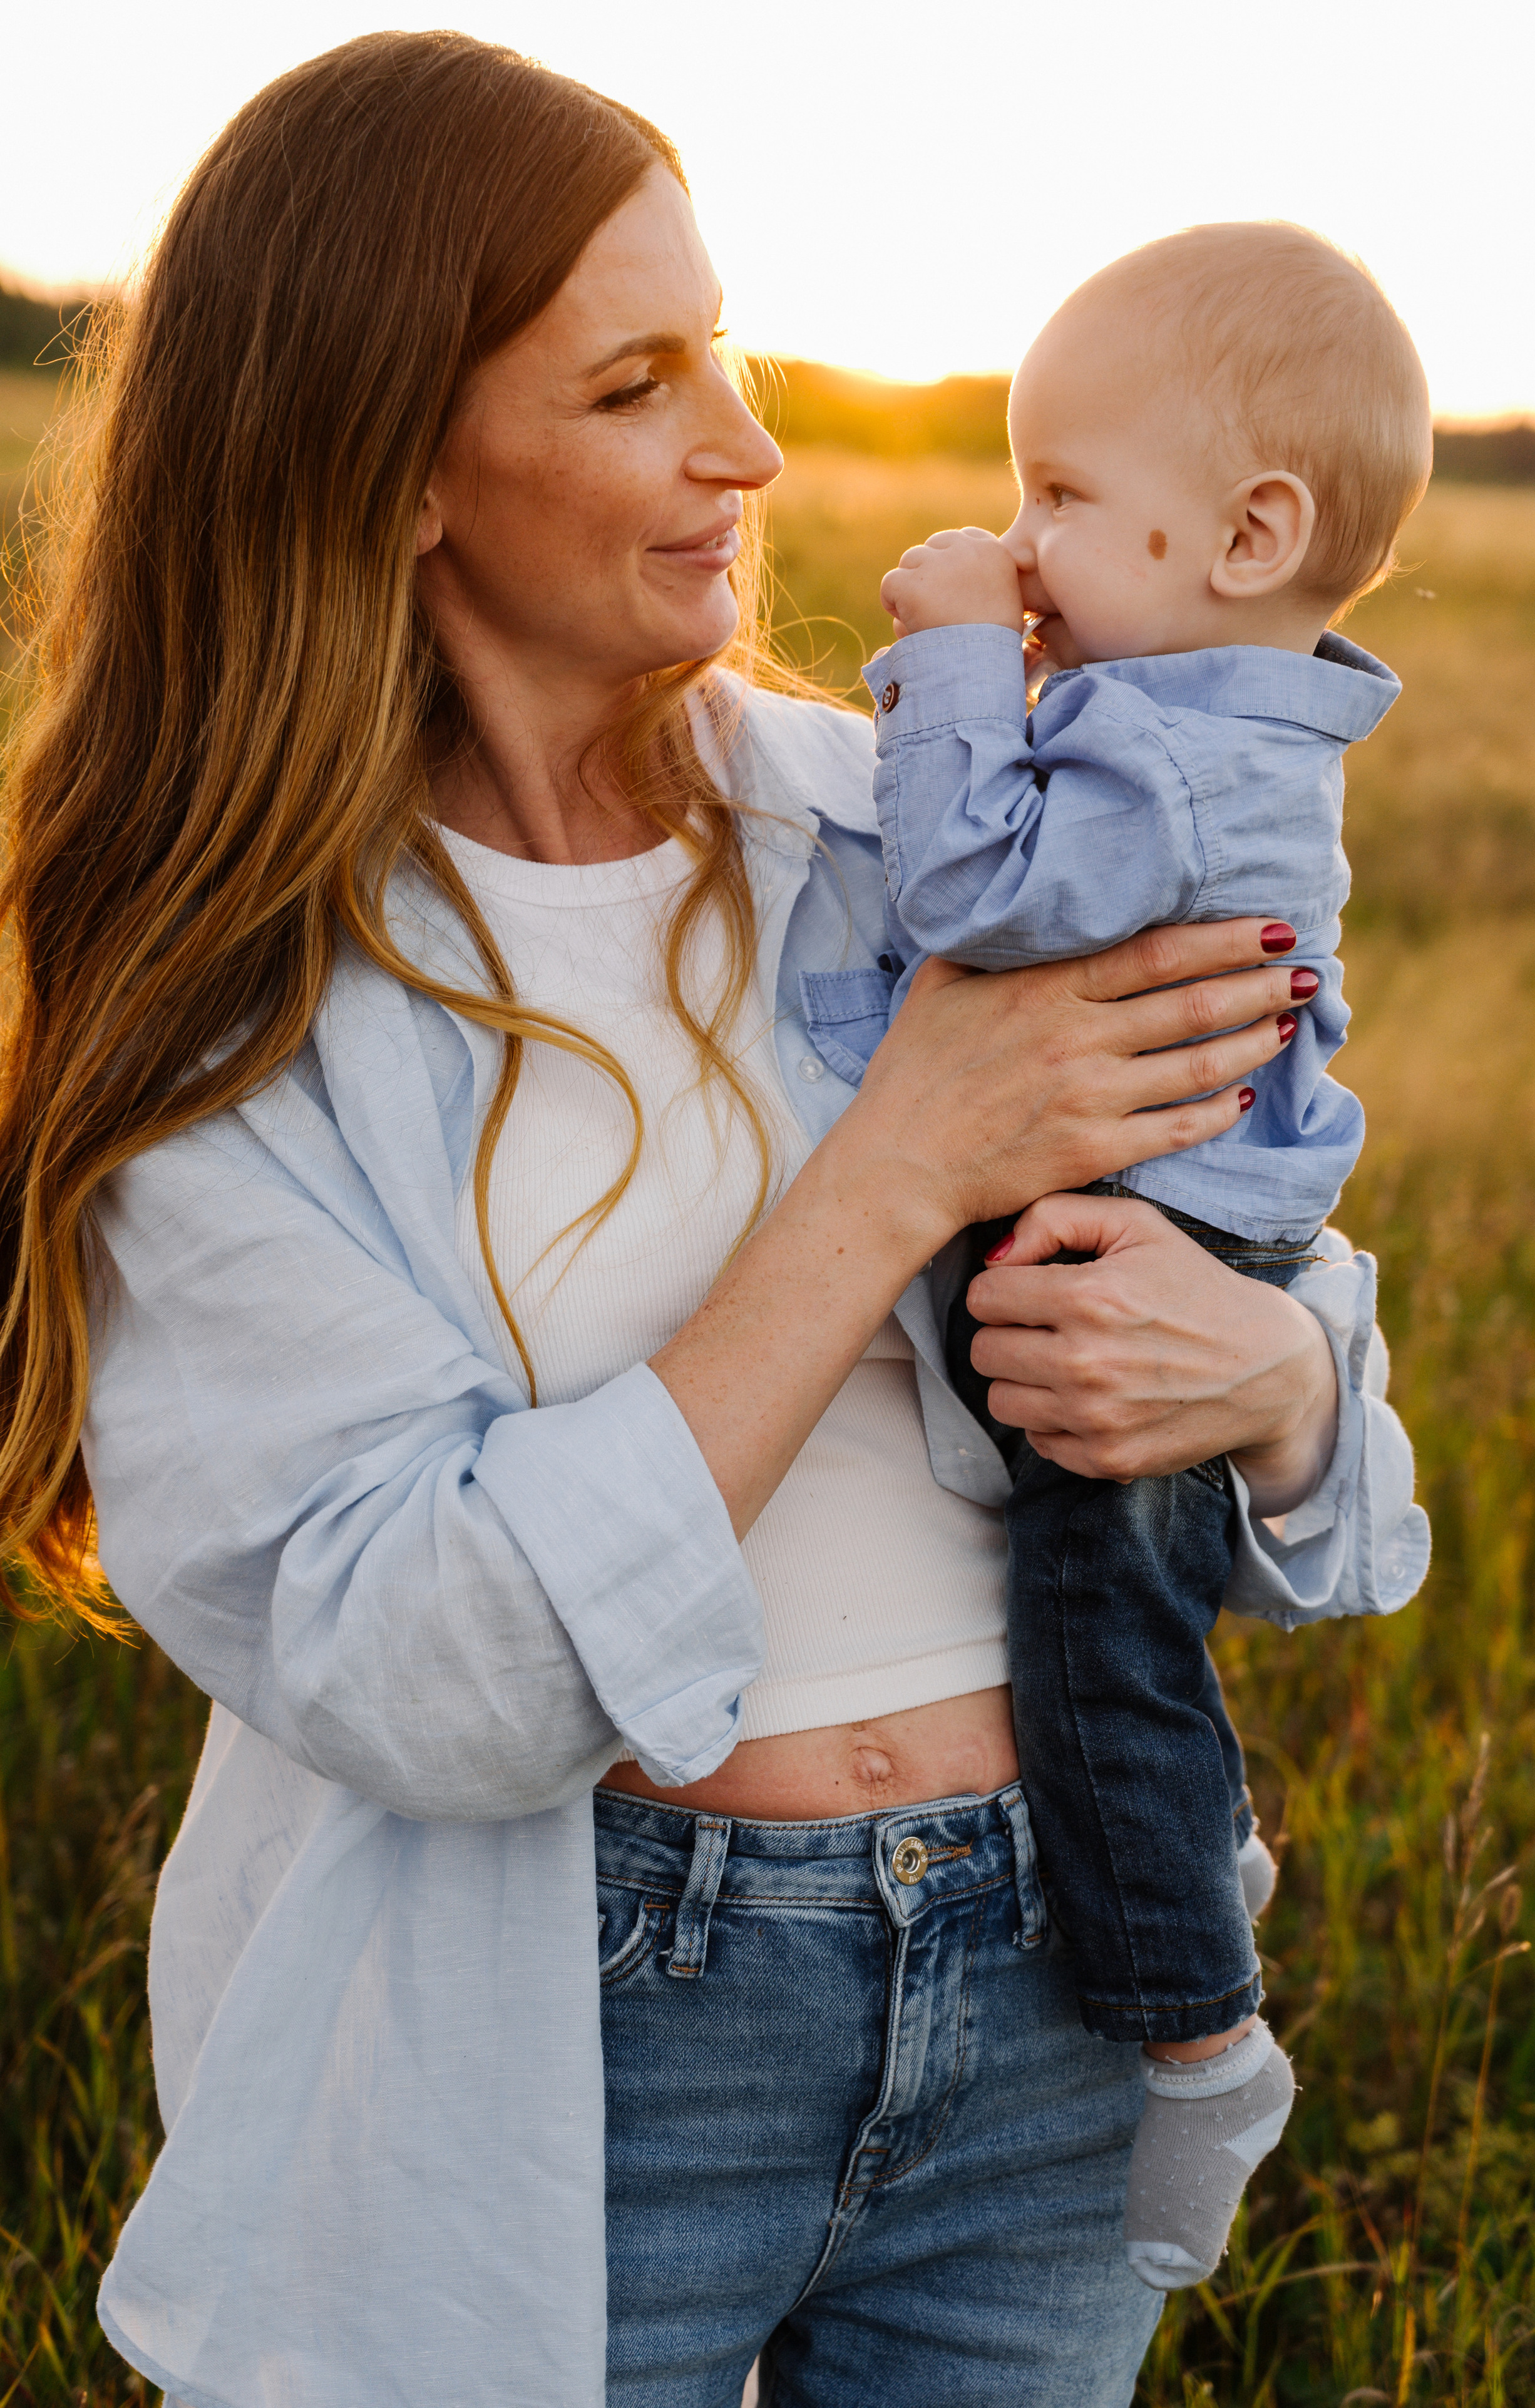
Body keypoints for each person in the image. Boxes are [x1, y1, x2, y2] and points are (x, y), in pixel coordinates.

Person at [0, 34, 1427, 2408]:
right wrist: (895, 1171)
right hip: (577, 2053)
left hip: (1060, 1993)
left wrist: (1274, 1386)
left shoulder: (906, 821)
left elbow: (1303, 1355)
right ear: (397, 457)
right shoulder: (221, 1002)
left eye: (731, 354)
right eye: (639, 385)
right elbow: (413, 1665)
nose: (748, 452)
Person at [861, 222, 1432, 2290]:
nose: (1023, 543)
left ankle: (1200, 2033)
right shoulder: (1205, 722)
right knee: (1119, 1628)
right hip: (1174, 1218)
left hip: (1155, 1236)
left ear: (1247, 532)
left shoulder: (1176, 757)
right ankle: (1176, 1839)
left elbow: (970, 888)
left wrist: (942, 660)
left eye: (1064, 498)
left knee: (1099, 1637)